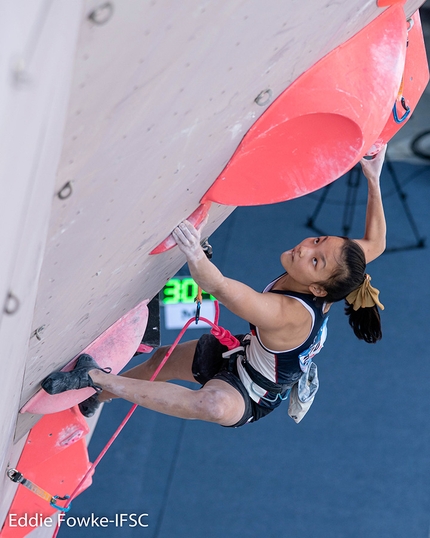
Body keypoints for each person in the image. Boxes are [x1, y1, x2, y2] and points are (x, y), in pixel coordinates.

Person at [42, 146, 387, 428]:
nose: (305, 248)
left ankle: (96, 380)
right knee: (161, 362)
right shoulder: (342, 272)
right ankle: (95, 397)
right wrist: (373, 178)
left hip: (250, 394)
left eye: (315, 261)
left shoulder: (287, 314)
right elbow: (376, 242)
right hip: (242, 352)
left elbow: (218, 286)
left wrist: (195, 252)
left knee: (213, 405)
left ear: (318, 291)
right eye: (317, 240)